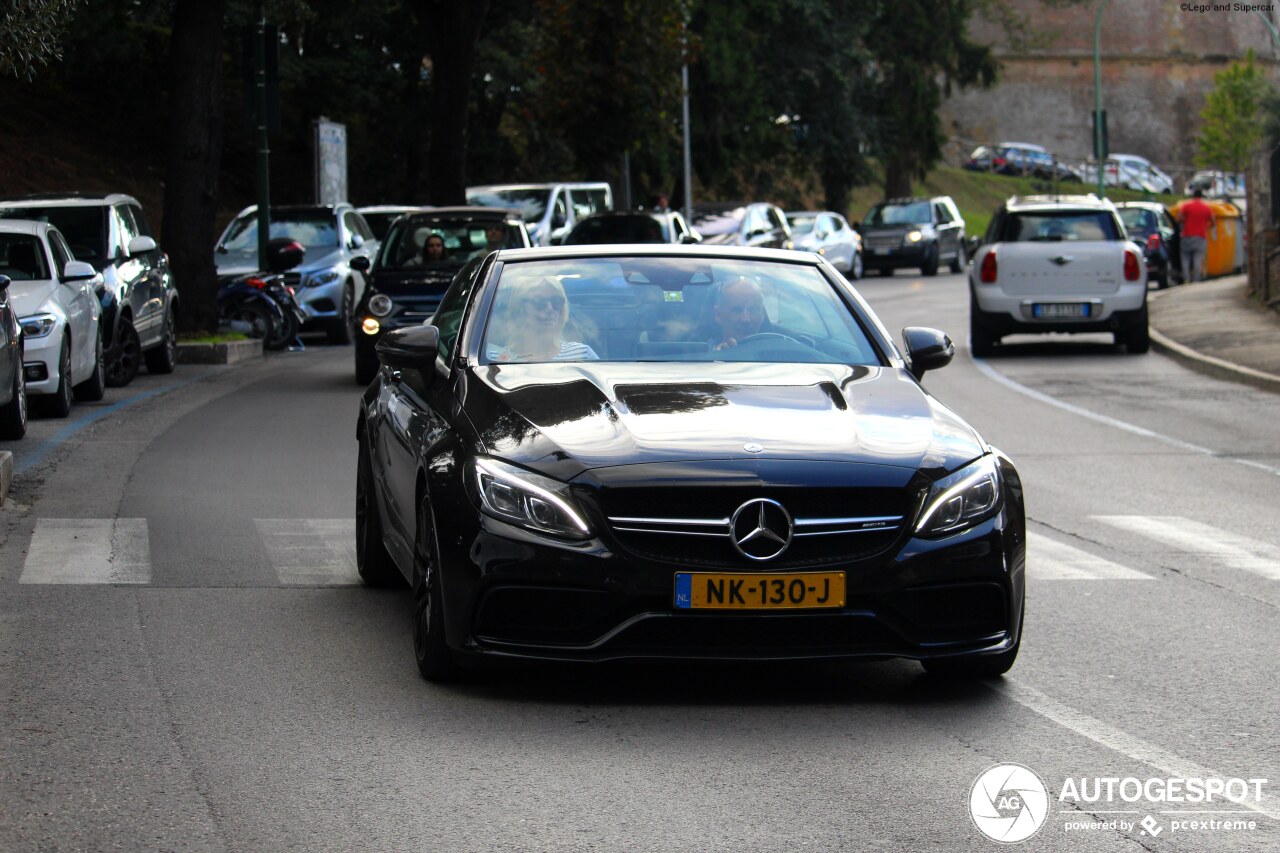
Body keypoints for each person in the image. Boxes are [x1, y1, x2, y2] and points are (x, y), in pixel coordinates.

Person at [486, 275, 599, 362]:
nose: (550, 308)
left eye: (556, 301)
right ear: (519, 309)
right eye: (539, 302)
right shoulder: (495, 358)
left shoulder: (582, 354)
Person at [708, 275, 768, 350]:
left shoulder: (779, 355)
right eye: (737, 310)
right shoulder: (700, 358)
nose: (746, 319)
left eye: (753, 310)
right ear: (719, 315)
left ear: (762, 314)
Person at [1176, 188, 1216, 283]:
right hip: (1200, 236)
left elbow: (1178, 218)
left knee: (1185, 257)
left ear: (1193, 196)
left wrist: (1183, 221)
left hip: (1186, 235)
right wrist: (1207, 226)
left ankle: (1186, 278)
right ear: (1201, 196)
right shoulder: (1206, 207)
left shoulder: (1186, 206)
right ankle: (1196, 280)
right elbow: (1213, 221)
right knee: (1197, 258)